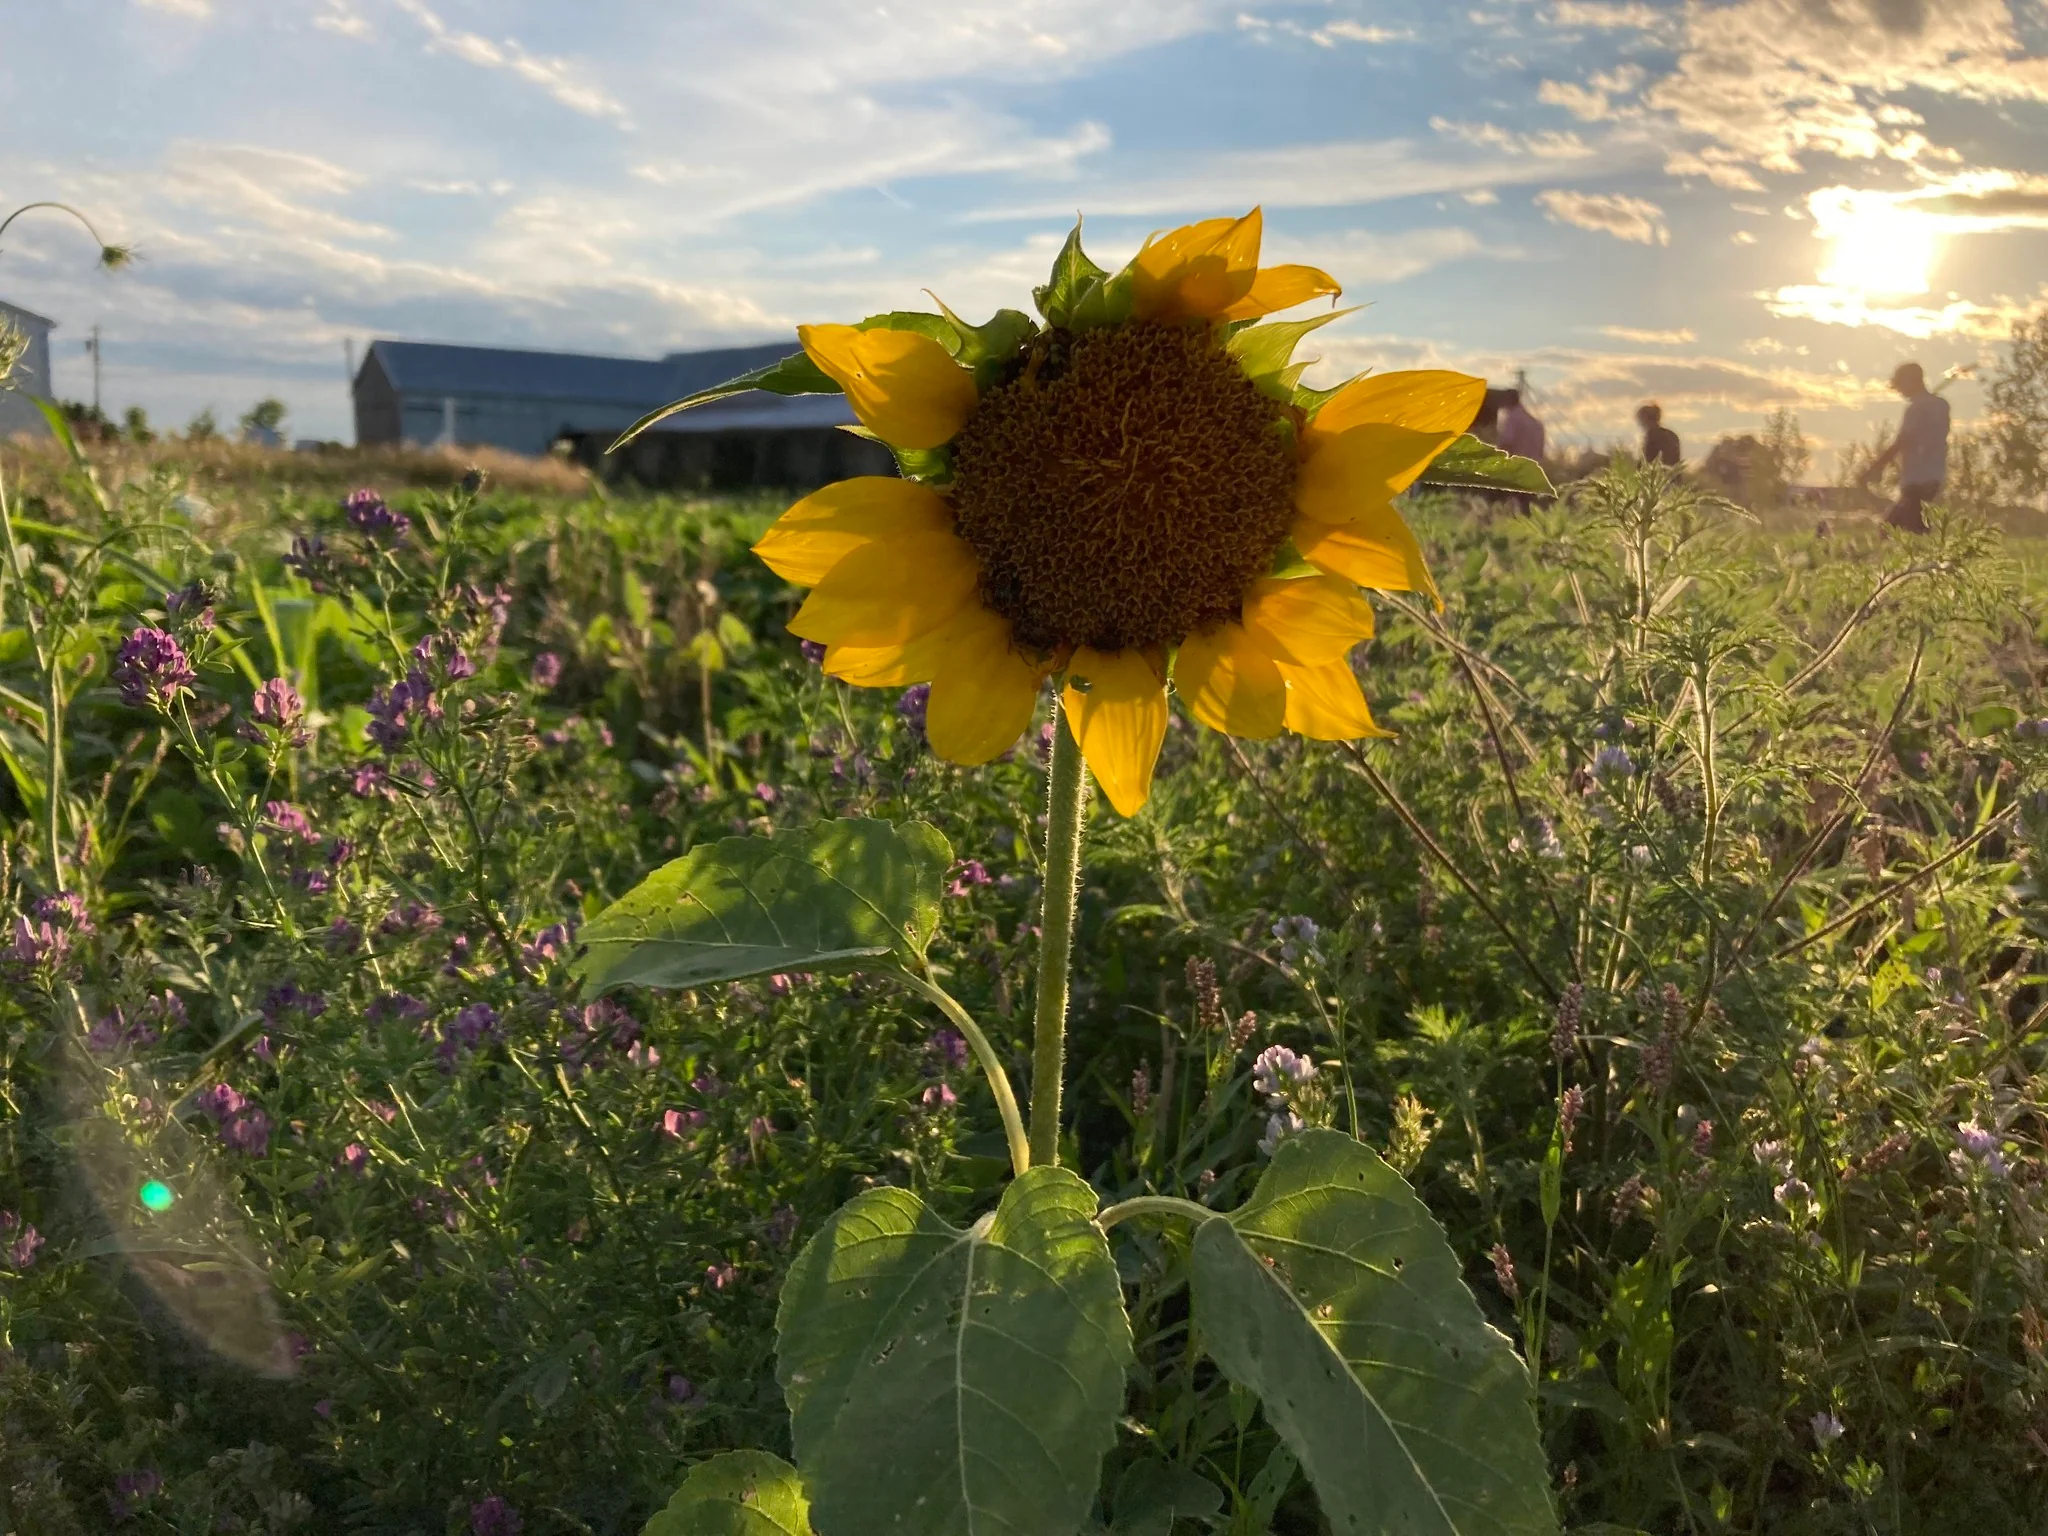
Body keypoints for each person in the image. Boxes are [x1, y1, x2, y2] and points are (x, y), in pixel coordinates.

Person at [1860, 361, 1949, 533]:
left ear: (1911, 381)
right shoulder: (1941, 405)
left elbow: (1902, 441)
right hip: (1935, 478)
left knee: (1898, 531)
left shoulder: (1915, 410)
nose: (1899, 390)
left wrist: (1875, 469)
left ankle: (1930, 559)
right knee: (1899, 529)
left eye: (1900, 385)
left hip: (1917, 481)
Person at [1494, 388, 1546, 462]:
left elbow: (1506, 443)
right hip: (1533, 467)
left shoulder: (1512, 418)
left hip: (1516, 466)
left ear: (1507, 401)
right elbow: (1541, 452)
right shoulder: (1536, 424)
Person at [1636, 402, 1681, 467]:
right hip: (1672, 475)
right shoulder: (1671, 435)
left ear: (1645, 419)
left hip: (1658, 475)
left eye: (1640, 420)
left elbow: (1646, 460)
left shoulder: (1651, 436)